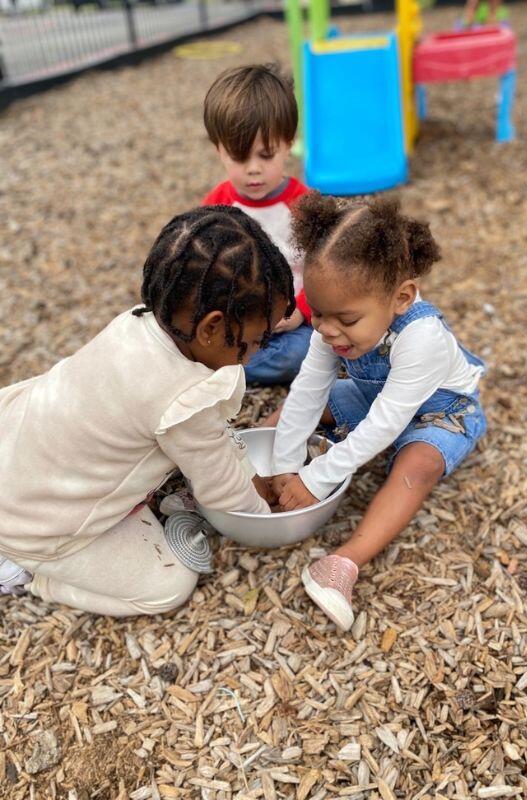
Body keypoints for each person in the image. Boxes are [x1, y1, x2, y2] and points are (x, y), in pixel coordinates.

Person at [0, 206, 294, 615]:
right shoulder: (182, 402)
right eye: (259, 337)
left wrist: (243, 468)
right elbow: (225, 493)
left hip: (16, 447)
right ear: (210, 329)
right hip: (38, 523)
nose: (262, 347)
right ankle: (33, 576)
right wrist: (266, 508)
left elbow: (209, 435)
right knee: (168, 586)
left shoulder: (137, 323)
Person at [270, 192, 487, 631]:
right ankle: (244, 463)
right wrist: (283, 461)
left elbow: (384, 426)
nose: (328, 330)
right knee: (287, 416)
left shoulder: (421, 337)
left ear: (402, 297)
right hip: (380, 397)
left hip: (440, 411)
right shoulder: (332, 327)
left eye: (346, 320)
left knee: (415, 467)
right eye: (319, 315)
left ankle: (343, 563)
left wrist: (315, 477)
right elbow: (308, 391)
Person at [202, 63, 312, 385]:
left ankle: (225, 372)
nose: (253, 170)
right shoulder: (217, 207)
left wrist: (302, 311)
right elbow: (204, 269)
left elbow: (323, 268)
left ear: (288, 143)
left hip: (290, 327)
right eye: (239, 158)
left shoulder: (303, 206)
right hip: (237, 324)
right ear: (218, 149)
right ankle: (224, 366)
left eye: (266, 155)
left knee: (302, 353)